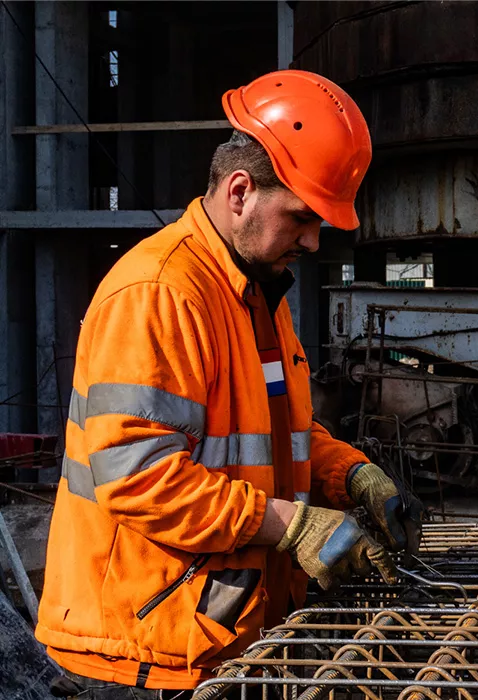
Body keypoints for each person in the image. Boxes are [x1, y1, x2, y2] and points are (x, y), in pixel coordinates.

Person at [35, 69, 422, 697]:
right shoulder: (160, 293)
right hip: (151, 650)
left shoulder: (256, 293)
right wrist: (292, 526)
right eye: (301, 217)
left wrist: (349, 474)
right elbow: (138, 476)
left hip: (224, 637)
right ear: (240, 191)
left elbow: (274, 434)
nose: (313, 240)